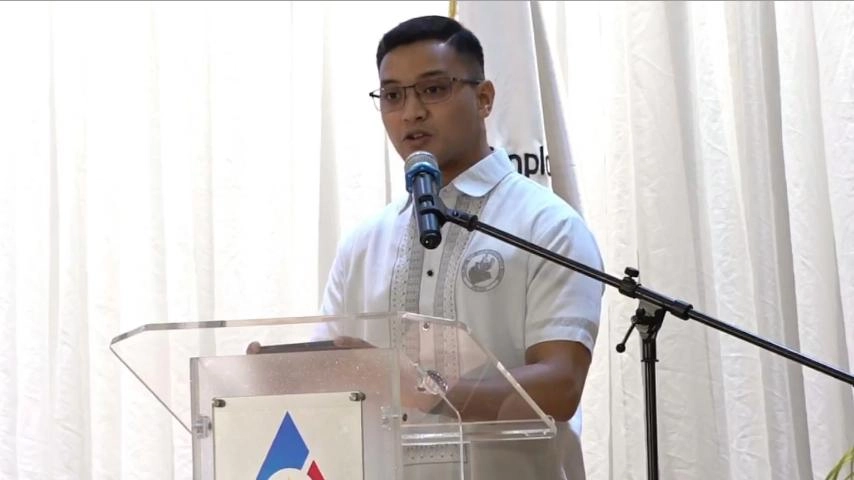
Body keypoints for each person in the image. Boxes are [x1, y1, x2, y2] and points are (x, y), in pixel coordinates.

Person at [319, 15, 604, 480]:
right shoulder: (362, 244)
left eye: (433, 89)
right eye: (393, 95)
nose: (411, 111)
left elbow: (560, 386)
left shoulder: (547, 226)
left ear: (485, 98)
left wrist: (411, 386)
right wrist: (271, 376)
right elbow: (333, 378)